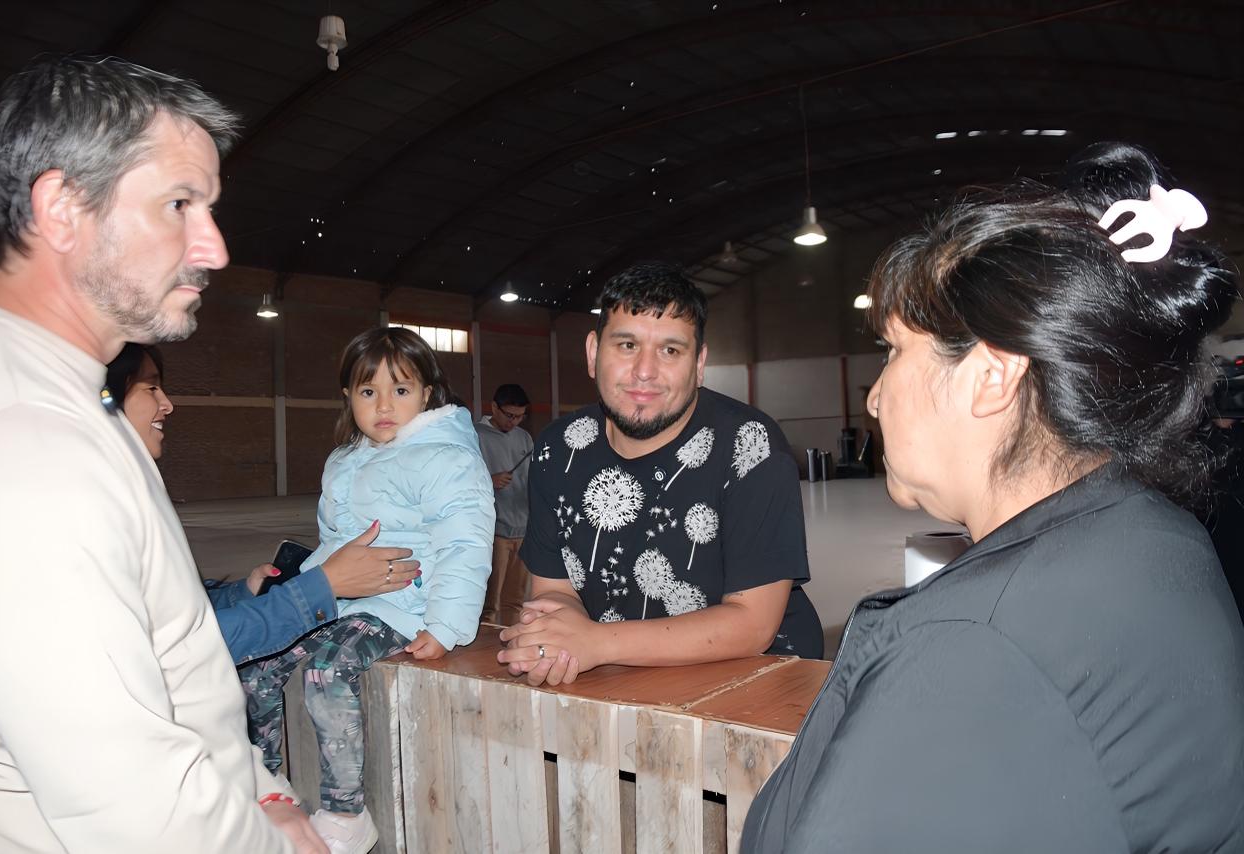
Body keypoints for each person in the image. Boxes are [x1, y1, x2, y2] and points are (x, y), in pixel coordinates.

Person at [742, 142, 1244, 851]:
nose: (877, 398)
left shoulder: (973, 654)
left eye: (894, 350)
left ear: (990, 377)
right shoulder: (1154, 533)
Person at [0, 56, 324, 852]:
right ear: (61, 209)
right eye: (178, 204)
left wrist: (260, 793)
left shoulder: (56, 400)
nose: (215, 248)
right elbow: (132, 810)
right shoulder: (26, 448)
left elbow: (166, 673)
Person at [498, 262, 823, 687]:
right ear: (594, 353)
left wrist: (597, 643)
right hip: (620, 678)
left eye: (670, 350)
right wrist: (563, 626)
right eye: (627, 345)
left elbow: (752, 624)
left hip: (757, 681)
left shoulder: (750, 445)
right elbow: (554, 588)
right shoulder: (558, 449)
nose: (645, 371)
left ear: (699, 362)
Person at [239, 326, 494, 854]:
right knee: (258, 665)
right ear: (347, 398)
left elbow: (464, 544)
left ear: (427, 393)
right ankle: (267, 787)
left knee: (327, 669)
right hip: (344, 598)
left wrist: (445, 626)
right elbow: (334, 543)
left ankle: (345, 811)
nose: (383, 405)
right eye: (367, 391)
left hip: (405, 603)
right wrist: (297, 587)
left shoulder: (446, 457)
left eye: (400, 390)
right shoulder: (344, 460)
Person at [105, 342, 423, 664]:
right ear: (105, 399)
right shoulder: (95, 511)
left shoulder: (130, 492)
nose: (167, 404)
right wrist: (322, 586)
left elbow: (170, 609)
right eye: (151, 387)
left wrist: (241, 593)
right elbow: (179, 644)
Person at [476, 382, 535, 623]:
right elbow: (461, 483)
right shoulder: (475, 436)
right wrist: (489, 481)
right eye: (509, 415)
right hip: (494, 531)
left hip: (523, 530)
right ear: (494, 407)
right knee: (490, 604)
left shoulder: (524, 438)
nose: (514, 422)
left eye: (520, 417)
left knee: (516, 602)